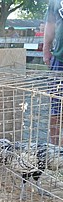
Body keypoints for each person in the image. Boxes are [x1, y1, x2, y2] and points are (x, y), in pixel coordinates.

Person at [43, 0, 63, 145]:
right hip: (60, 58)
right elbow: (50, 23)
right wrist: (46, 49)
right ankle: (54, 150)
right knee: (56, 109)